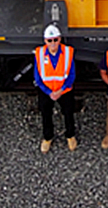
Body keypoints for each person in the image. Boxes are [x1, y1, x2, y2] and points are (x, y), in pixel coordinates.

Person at [33, 24, 77, 153]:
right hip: (47, 91)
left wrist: (60, 91)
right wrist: (49, 92)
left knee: (68, 113)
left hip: (64, 91)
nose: (53, 43)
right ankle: (47, 137)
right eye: (50, 40)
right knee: (46, 114)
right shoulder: (39, 53)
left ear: (60, 39)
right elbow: (38, 77)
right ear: (45, 41)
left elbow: (71, 75)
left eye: (55, 40)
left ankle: (70, 135)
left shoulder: (68, 52)